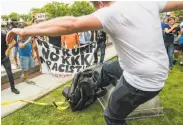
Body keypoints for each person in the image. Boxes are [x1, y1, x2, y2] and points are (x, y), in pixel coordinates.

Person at [6, 1, 183, 125]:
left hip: (143, 82)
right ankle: (100, 90)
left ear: (100, 3)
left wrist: (24, 30)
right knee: (105, 68)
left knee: (112, 117)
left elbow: (71, 23)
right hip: (155, 68)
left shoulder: (109, 12)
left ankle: (120, 97)